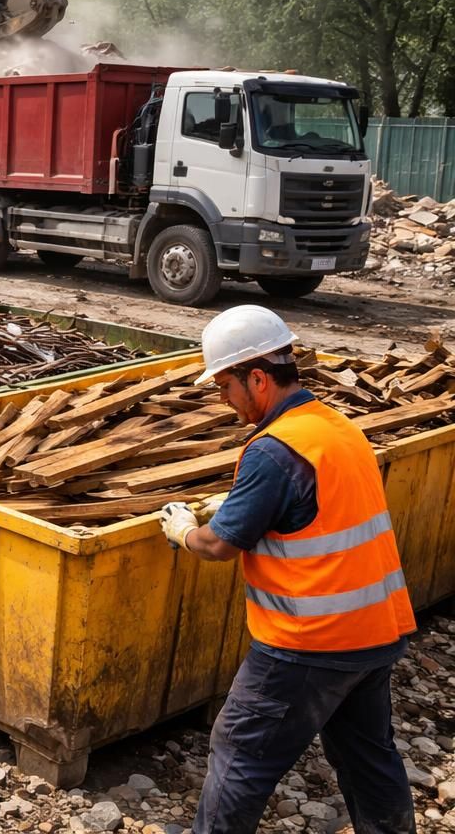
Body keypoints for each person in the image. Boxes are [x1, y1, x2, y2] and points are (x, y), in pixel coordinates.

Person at [160, 304, 417, 834]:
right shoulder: (334, 427)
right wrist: (241, 500)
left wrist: (184, 531)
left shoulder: (273, 452)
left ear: (257, 377)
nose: (224, 400)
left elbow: (219, 546)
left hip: (308, 645)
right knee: (368, 757)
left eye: (225, 386)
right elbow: (316, 511)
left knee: (240, 755)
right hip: (374, 634)